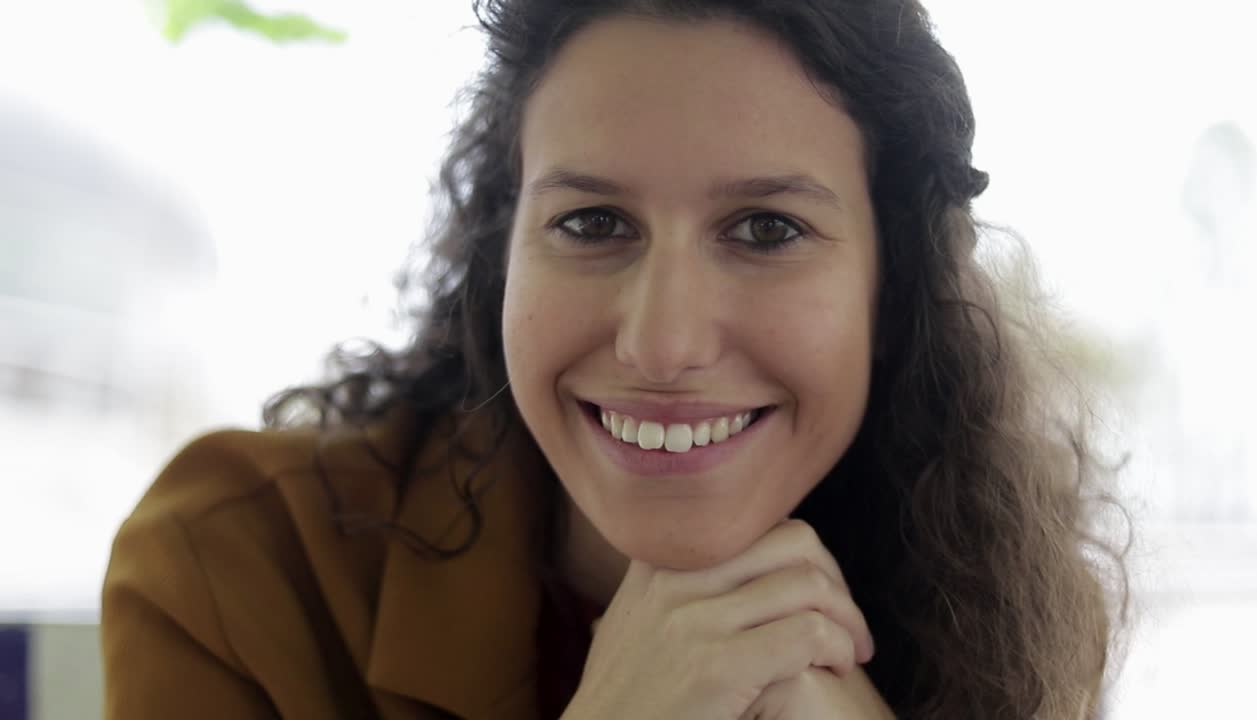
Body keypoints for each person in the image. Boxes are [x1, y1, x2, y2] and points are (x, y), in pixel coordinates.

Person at [101, 1, 1128, 718]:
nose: (661, 343)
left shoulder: (1002, 611)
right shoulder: (235, 564)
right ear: (502, 255)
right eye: (592, 222)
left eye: (765, 230)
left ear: (887, 288)